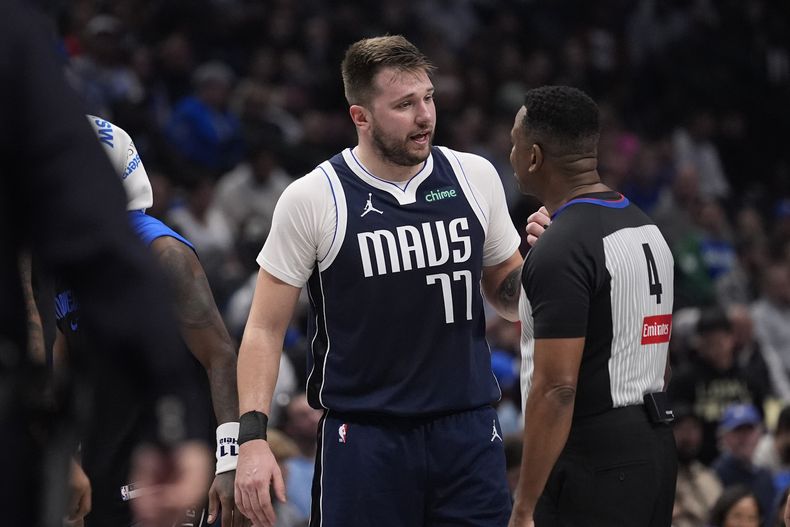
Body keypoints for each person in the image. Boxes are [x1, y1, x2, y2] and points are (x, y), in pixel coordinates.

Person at [233, 35, 548, 527]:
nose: (425, 116)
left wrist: (545, 265)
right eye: (404, 105)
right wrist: (250, 439)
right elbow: (263, 329)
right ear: (361, 117)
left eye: (428, 98)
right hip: (365, 438)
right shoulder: (314, 197)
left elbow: (508, 296)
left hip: (466, 430)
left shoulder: (474, 176)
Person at [0, 1, 211, 525]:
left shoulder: (162, 249)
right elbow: (94, 249)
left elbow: (217, 351)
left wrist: (219, 443)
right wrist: (174, 421)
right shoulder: (12, 38)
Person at [53, 116, 245, 527]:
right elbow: (61, 357)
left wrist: (230, 462)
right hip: (100, 455)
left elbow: (221, 356)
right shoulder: (59, 258)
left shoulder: (164, 255)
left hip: (164, 453)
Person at [508, 85, 677, 527]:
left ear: (534, 157)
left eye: (514, 143)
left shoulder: (563, 248)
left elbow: (557, 389)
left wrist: (524, 506)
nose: (510, 153)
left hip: (593, 457)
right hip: (654, 445)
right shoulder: (647, 229)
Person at [712, 403, 776, 522]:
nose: (744, 438)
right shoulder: (715, 475)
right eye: (737, 431)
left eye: (749, 430)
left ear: (759, 434)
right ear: (724, 436)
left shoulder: (765, 476)